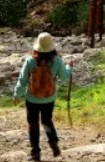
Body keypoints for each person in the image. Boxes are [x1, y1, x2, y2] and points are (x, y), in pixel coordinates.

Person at [13, 33, 72, 162]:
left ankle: (35, 153)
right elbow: (64, 77)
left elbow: (22, 80)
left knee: (33, 124)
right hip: (49, 98)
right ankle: (53, 141)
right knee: (47, 121)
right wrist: (68, 67)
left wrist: (17, 94)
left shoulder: (30, 60)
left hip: (32, 98)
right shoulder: (57, 60)